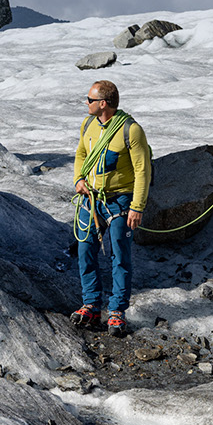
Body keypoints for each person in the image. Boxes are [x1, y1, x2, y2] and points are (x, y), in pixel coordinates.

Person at [71, 80, 152, 336]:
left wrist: (137, 207)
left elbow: (143, 171)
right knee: (85, 250)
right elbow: (81, 154)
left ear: (103, 104)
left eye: (90, 99)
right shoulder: (88, 124)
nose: (86, 103)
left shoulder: (131, 130)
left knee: (119, 255)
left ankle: (117, 310)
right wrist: (79, 179)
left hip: (120, 202)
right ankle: (91, 305)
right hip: (91, 199)